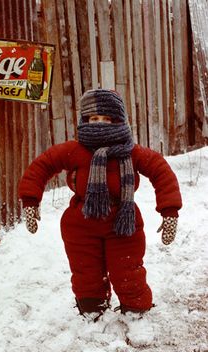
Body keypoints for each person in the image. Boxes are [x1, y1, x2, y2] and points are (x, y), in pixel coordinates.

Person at [18, 89, 182, 322]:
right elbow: (42, 166)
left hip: (122, 223)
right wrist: (31, 201)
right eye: (94, 119)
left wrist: (170, 212)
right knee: (86, 271)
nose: (101, 124)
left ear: (118, 120)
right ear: (85, 120)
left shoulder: (131, 151)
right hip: (81, 223)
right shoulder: (74, 149)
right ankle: (92, 310)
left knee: (127, 270)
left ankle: (136, 314)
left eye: (107, 119)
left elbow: (161, 172)